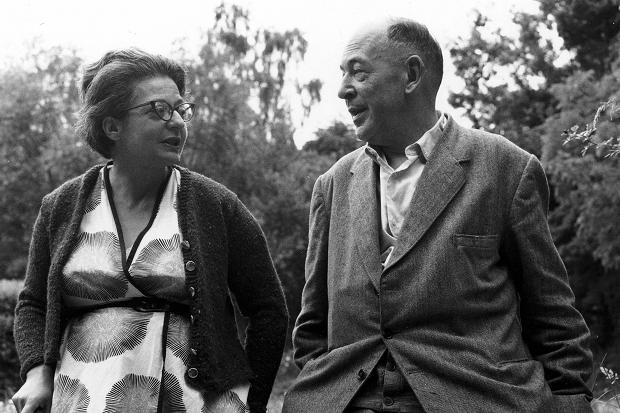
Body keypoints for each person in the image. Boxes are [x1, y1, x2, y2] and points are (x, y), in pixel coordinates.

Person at [283, 18, 593, 413]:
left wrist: (569, 405)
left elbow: (553, 316)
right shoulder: (332, 185)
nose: (342, 89)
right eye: (342, 74)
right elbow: (312, 329)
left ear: (411, 75)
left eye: (358, 72)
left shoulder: (507, 169)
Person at [12, 48, 288, 413]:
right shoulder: (60, 207)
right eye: (159, 110)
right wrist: (37, 373)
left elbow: (269, 308)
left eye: (181, 109)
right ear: (112, 126)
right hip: (84, 398)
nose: (177, 122)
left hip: (199, 402)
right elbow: (33, 304)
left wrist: (252, 399)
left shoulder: (216, 204)